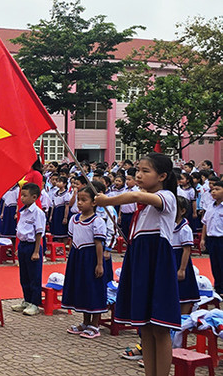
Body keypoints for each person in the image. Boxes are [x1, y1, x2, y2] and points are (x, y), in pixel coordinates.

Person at [95, 152, 180, 376]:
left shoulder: (166, 197)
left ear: (162, 176)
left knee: (160, 328)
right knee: (146, 327)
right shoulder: (142, 207)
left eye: (145, 171)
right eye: (138, 170)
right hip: (140, 262)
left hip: (157, 264)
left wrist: (107, 201)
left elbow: (135, 197)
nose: (139, 175)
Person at [62, 185, 107, 339]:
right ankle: (85, 322)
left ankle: (95, 324)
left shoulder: (97, 221)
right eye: (78, 200)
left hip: (91, 257)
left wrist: (99, 264)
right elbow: (71, 239)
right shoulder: (74, 219)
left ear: (94, 203)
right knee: (81, 289)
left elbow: (98, 243)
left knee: (93, 289)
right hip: (77, 256)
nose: (80, 203)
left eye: (84, 200)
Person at [12, 182, 46, 316]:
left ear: (34, 197)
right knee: (24, 275)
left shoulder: (38, 213)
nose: (22, 198)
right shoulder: (24, 211)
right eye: (21, 195)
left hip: (33, 246)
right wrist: (18, 247)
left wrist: (37, 251)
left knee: (34, 276)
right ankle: (26, 300)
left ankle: (35, 303)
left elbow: (39, 233)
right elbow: (21, 230)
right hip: (23, 245)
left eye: (25, 196)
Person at [173, 196, 200, 315]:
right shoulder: (169, 225)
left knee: (184, 291)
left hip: (180, 260)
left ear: (182, 211)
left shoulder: (185, 229)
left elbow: (186, 250)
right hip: (171, 259)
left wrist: (182, 269)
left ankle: (183, 317)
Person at [200, 180, 223, 294]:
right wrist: (203, 239)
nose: (213, 192)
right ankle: (218, 287)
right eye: (212, 190)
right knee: (215, 264)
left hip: (221, 239)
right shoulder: (210, 206)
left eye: (217, 189)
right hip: (212, 239)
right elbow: (205, 223)